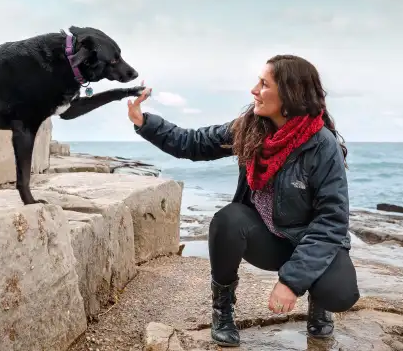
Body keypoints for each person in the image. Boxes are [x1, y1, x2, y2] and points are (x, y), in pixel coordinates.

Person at [127, 55, 360, 347]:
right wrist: (145, 122)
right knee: (228, 219)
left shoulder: (322, 145)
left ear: (290, 94)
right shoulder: (250, 128)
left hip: (309, 240)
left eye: (264, 84)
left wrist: (290, 281)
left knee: (340, 294)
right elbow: (194, 143)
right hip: (268, 240)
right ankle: (222, 310)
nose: (254, 90)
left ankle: (318, 300)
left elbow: (331, 222)